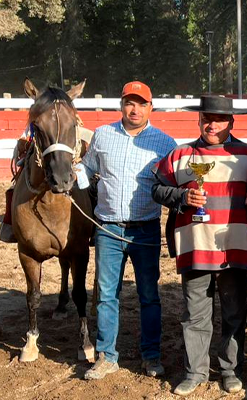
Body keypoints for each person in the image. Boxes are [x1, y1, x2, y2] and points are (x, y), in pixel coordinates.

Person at [151, 95, 247, 396]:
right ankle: (194, 372)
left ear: (231, 121)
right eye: (206, 118)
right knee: (194, 314)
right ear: (198, 120)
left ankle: (230, 370)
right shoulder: (180, 155)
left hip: (235, 247)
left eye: (219, 119)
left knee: (234, 313)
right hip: (195, 246)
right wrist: (182, 198)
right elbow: (156, 189)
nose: (212, 124)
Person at [78, 81, 177, 381]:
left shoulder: (165, 144)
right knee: (107, 295)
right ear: (121, 105)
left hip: (145, 230)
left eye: (141, 103)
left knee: (149, 295)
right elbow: (86, 168)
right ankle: (107, 356)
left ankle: (151, 356)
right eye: (129, 102)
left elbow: (173, 185)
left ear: (150, 107)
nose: (134, 109)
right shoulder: (103, 135)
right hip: (107, 228)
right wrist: (72, 174)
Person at [0, 115, 93, 243]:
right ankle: (12, 224)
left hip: (65, 148)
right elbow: (26, 137)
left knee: (91, 183)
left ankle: (93, 225)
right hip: (41, 148)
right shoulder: (37, 117)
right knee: (17, 183)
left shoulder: (68, 115)